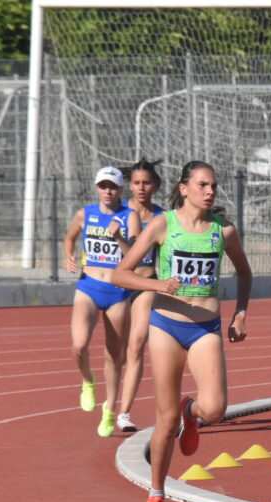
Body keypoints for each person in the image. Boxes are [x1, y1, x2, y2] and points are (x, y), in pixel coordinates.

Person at [113, 161, 252, 502]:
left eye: (213, 186)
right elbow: (120, 274)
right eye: (202, 185)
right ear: (184, 188)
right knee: (165, 419)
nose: (210, 191)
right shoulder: (163, 225)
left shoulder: (223, 230)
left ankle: (191, 412)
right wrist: (157, 284)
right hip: (166, 326)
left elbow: (245, 272)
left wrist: (240, 313)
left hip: (205, 327)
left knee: (215, 409)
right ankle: (156, 493)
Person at [63, 166, 133, 438]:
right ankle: (87, 381)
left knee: (114, 356)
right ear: (96, 188)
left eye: (113, 186)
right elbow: (70, 237)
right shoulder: (85, 214)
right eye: (103, 186)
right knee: (79, 345)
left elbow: (134, 255)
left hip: (117, 291)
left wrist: (118, 237)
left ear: (120, 189)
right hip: (89, 286)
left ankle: (110, 410)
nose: (108, 191)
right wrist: (69, 255)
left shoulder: (129, 216)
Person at [112, 159, 166, 433]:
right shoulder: (118, 212)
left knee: (136, 344)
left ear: (155, 185)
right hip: (114, 285)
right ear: (129, 186)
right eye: (136, 183)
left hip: (144, 284)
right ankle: (108, 403)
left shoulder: (162, 217)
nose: (141, 188)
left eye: (146, 183)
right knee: (114, 351)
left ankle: (124, 413)